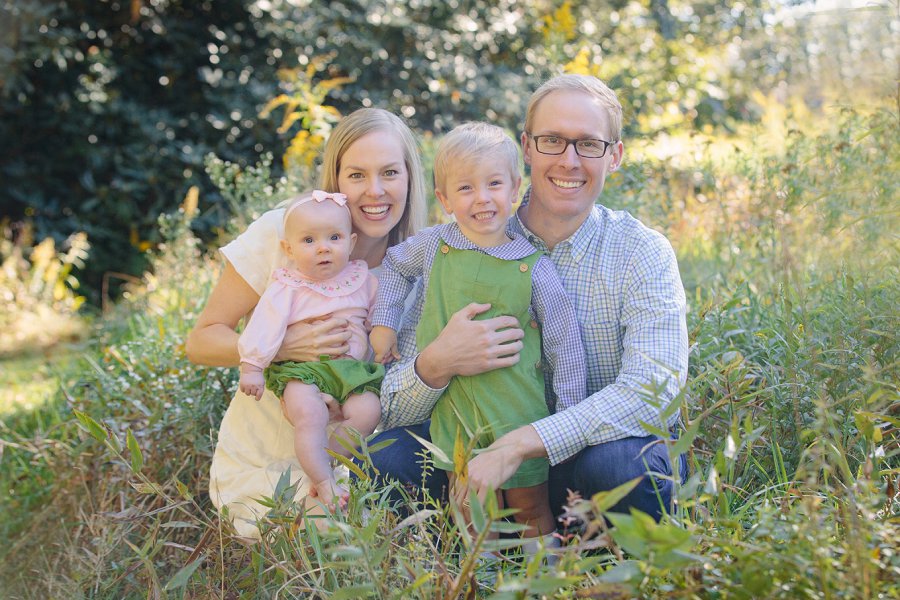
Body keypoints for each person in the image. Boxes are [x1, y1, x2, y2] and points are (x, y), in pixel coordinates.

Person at [372, 74, 689, 522]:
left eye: (589, 145)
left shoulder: (642, 251)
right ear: (526, 148)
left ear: (614, 156)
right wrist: (437, 362)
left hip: (592, 455)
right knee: (389, 453)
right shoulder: (455, 245)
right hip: (475, 448)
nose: (569, 160)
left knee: (622, 464)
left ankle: (602, 570)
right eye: (552, 141)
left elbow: (654, 392)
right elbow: (392, 409)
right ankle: (459, 567)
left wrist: (524, 443)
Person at [186, 108, 428, 539]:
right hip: (266, 463)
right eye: (356, 175)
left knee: (371, 542)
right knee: (315, 547)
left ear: (410, 178)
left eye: (390, 172)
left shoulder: (419, 263)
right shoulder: (286, 232)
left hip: (356, 459)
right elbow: (202, 341)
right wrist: (282, 345)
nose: (375, 191)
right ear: (335, 179)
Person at [369, 122, 585, 549]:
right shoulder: (433, 246)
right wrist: (384, 322)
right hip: (456, 415)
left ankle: (541, 581)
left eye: (493, 184)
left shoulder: (532, 264)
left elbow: (564, 341)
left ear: (515, 189)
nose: (482, 198)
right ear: (445, 199)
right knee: (466, 506)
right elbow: (393, 266)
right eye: (465, 188)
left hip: (517, 411)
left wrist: (571, 413)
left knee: (528, 507)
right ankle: (480, 579)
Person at [237, 192, 383, 514]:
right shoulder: (288, 285)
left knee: (368, 411)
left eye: (334, 237)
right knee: (309, 413)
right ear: (288, 249)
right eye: (308, 240)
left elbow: (380, 317)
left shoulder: (362, 280)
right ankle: (325, 482)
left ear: (351, 240)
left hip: (351, 371)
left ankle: (327, 464)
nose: (323, 247)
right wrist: (253, 365)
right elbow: (265, 326)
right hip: (304, 371)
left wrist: (385, 339)